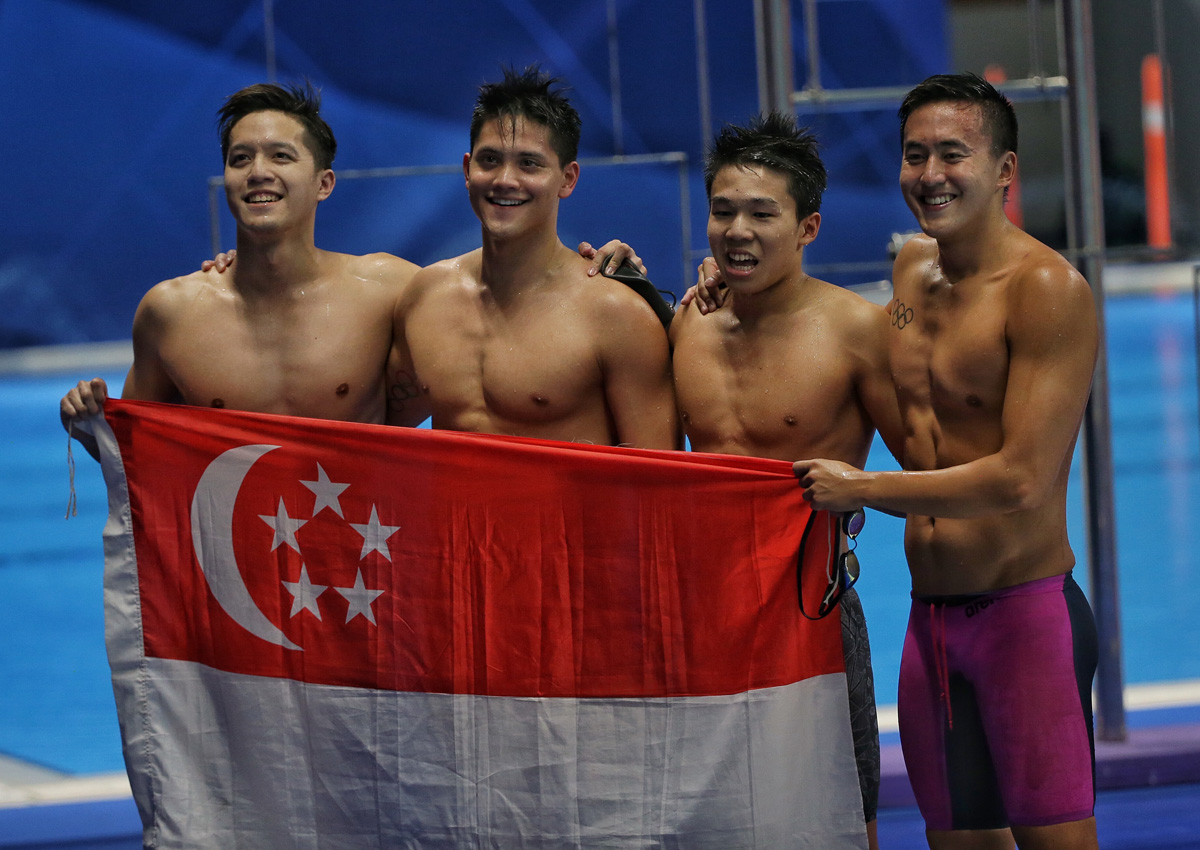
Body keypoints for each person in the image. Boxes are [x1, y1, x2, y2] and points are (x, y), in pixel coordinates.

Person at [792, 74, 1100, 849]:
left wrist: (861, 488)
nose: (930, 175)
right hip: (930, 625)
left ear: (1004, 171)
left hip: (1024, 619)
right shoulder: (909, 276)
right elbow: (870, 370)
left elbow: (1019, 478)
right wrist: (727, 287)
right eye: (914, 155)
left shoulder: (1048, 291)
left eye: (952, 154)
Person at [671, 111, 903, 850]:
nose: (737, 230)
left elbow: (934, 465)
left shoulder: (857, 331)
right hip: (702, 616)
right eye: (722, 210)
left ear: (807, 227)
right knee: (706, 821)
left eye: (762, 213)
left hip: (812, 614)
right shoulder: (686, 324)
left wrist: (862, 494)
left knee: (843, 814)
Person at [60, 82, 421, 452]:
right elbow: (138, 460)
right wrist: (92, 428)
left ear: (324, 184)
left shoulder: (389, 290)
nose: (257, 171)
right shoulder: (171, 312)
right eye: (240, 158)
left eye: (281, 156)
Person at [386, 66, 678, 449]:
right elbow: (367, 428)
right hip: (455, 509)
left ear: (567, 179)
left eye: (529, 163)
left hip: (572, 511)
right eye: (489, 159)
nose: (505, 179)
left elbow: (660, 477)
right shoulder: (426, 296)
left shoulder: (616, 314)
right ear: (467, 169)